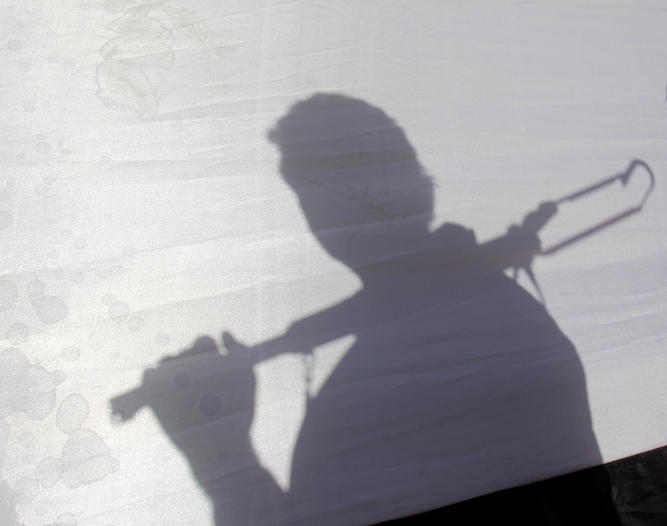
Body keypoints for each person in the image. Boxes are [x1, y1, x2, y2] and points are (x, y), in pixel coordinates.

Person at [116, 94, 617, 525]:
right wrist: (223, 454)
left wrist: (222, 458)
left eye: (345, 176)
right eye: (314, 194)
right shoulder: (472, 323)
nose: (335, 207)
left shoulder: (467, 340)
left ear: (409, 179)